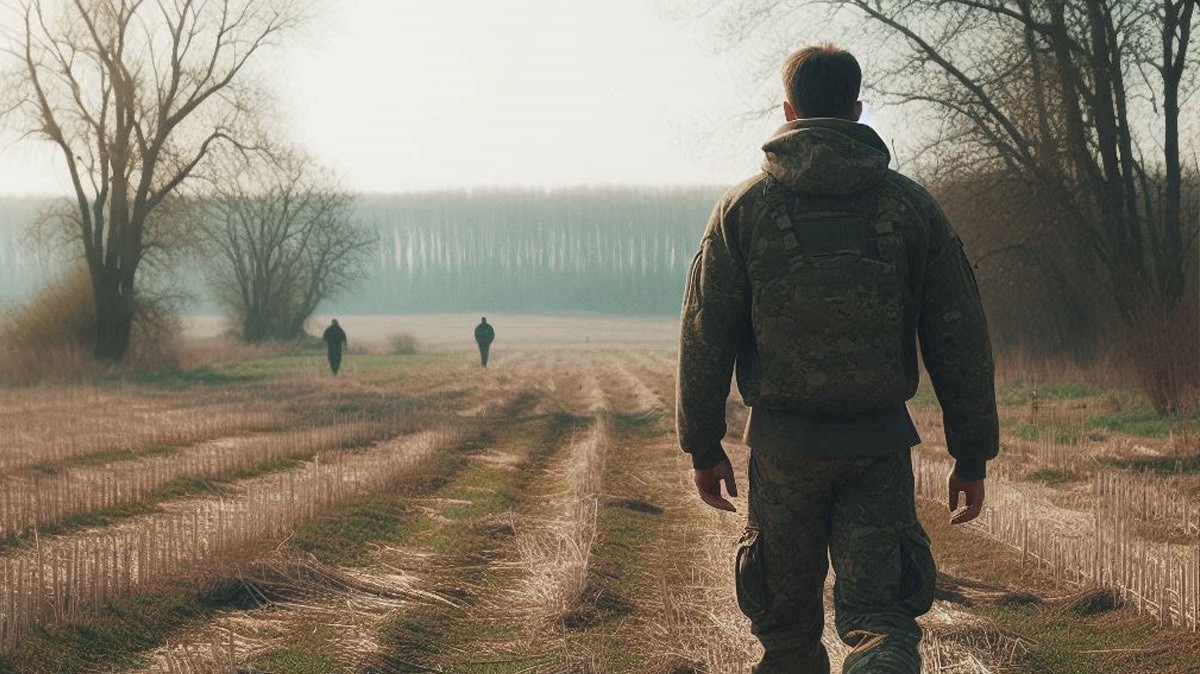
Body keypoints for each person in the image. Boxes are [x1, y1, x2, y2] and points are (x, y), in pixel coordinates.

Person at [676, 44, 999, 674]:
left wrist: (704, 446)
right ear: (856, 109)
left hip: (783, 452)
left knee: (788, 637)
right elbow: (961, 338)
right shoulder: (910, 208)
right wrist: (972, 453)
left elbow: (703, 334)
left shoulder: (743, 211)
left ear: (789, 110)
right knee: (882, 625)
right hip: (877, 449)